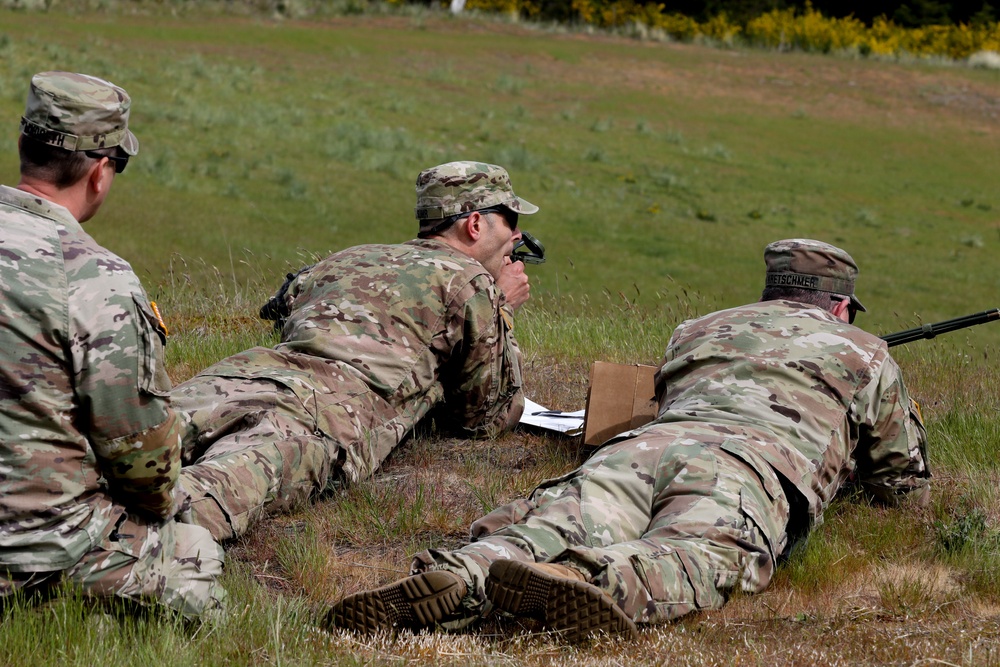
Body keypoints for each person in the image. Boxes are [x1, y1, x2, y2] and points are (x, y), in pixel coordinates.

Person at [326, 238, 931, 642]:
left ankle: (468, 570)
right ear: (842, 305)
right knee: (703, 550)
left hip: (644, 447)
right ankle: (591, 581)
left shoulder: (698, 329)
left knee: (561, 516)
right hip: (747, 466)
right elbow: (900, 478)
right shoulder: (864, 351)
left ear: (772, 293)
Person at [169, 161, 533, 542]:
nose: (517, 234)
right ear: (474, 224)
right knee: (193, 503)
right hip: (324, 413)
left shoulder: (351, 256)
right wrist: (500, 306)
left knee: (128, 446)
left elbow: (282, 307)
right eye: (510, 220)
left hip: (243, 375)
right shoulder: (470, 282)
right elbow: (482, 419)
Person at [0, 72, 226, 616]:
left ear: (23, 146)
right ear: (100, 172)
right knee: (195, 558)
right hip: (35, 548)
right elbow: (145, 471)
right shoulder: (97, 279)